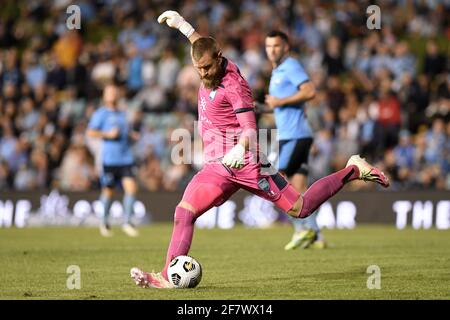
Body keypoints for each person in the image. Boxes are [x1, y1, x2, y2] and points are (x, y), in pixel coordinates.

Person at [130, 11, 389, 289]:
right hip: (217, 166)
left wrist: (241, 149)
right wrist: (183, 25)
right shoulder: (210, 60)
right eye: (198, 69)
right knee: (184, 212)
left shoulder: (235, 85)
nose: (202, 73)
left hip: (247, 163)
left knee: (300, 209)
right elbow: (200, 44)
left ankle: (353, 169)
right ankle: (169, 277)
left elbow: (250, 128)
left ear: (219, 59)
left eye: (206, 68)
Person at [264, 30, 325, 250]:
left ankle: (303, 230)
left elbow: (309, 91)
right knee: (299, 187)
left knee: (275, 180)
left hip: (295, 135)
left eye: (277, 46)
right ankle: (315, 235)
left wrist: (280, 101)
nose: (272, 50)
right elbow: (280, 106)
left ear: (286, 47)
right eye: (269, 46)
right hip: (294, 135)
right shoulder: (277, 71)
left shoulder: (290, 66)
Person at [87, 84, 140, 237]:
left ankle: (128, 222)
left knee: (131, 188)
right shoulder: (101, 114)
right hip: (110, 159)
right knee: (109, 191)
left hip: (126, 157)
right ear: (104, 96)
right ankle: (104, 221)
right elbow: (91, 131)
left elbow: (126, 132)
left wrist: (131, 136)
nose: (113, 94)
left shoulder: (123, 114)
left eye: (115, 92)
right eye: (110, 92)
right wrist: (108, 134)